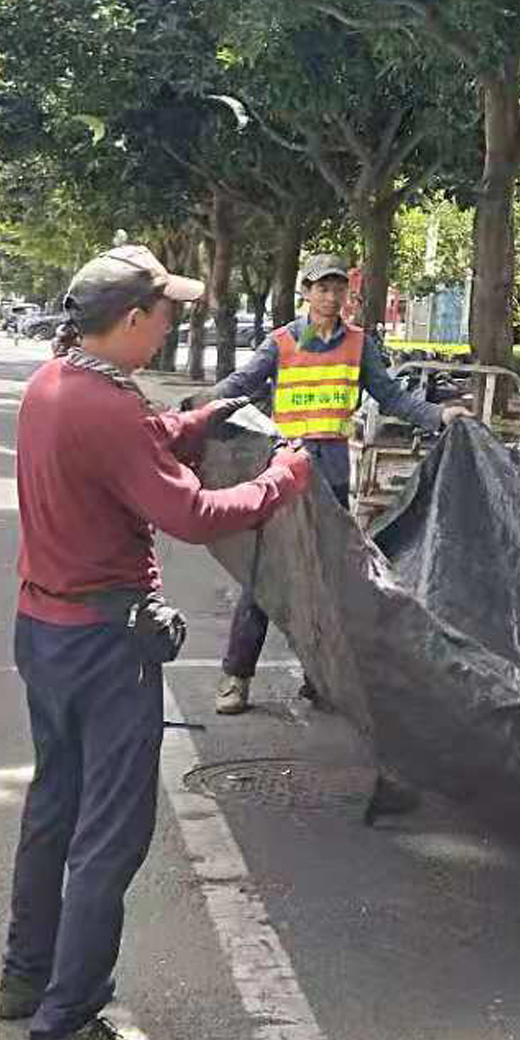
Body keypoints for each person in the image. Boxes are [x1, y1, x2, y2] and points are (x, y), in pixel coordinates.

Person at [0, 243, 315, 1040]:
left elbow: (133, 450)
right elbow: (191, 513)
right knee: (111, 834)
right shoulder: (103, 407)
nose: (175, 321)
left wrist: (197, 420)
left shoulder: (57, 386)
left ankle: (27, 976)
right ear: (131, 320)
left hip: (44, 630)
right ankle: (68, 1026)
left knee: (54, 808)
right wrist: (279, 481)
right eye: (166, 311)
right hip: (107, 647)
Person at [210, 254, 468, 714]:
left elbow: (391, 396)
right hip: (284, 465)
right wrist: (196, 414)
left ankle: (320, 678)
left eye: (337, 289)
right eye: (321, 288)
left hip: (331, 468)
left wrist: (438, 416)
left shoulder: (358, 344)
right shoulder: (282, 343)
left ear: (347, 294)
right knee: (266, 572)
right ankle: (236, 677)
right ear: (306, 293)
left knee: (327, 574)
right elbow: (238, 386)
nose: (331, 297)